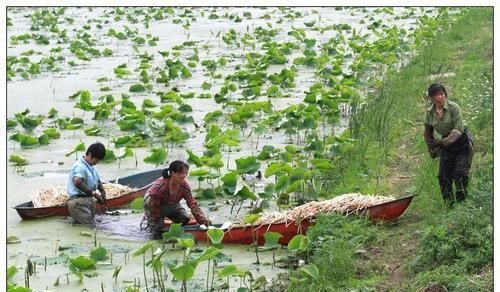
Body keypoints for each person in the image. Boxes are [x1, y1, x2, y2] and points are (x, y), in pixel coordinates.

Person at [423, 84, 474, 206]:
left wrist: (441, 143)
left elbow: (457, 131)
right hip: (446, 145)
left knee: (460, 174)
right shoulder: (429, 112)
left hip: (462, 143)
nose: (440, 97)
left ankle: (462, 205)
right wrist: (431, 148)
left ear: (445, 95)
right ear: (431, 98)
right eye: (436, 95)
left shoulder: (453, 108)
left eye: (442, 94)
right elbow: (427, 131)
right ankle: (449, 205)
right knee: (443, 176)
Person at [143, 160, 210, 239]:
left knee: (185, 218)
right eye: (180, 173)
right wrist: (156, 221)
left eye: (185, 173)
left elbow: (192, 204)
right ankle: (151, 223)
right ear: (172, 173)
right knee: (158, 232)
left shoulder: (184, 186)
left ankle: (173, 231)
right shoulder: (161, 186)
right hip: (153, 204)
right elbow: (154, 206)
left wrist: (203, 222)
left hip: (171, 203)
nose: (183, 176)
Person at [66, 142, 107, 225]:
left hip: (88, 201)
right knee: (90, 227)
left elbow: (97, 181)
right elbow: (77, 182)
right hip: (78, 202)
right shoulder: (80, 166)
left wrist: (102, 191)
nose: (97, 162)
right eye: (96, 159)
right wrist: (94, 194)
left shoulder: (90, 166)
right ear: (90, 154)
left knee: (88, 226)